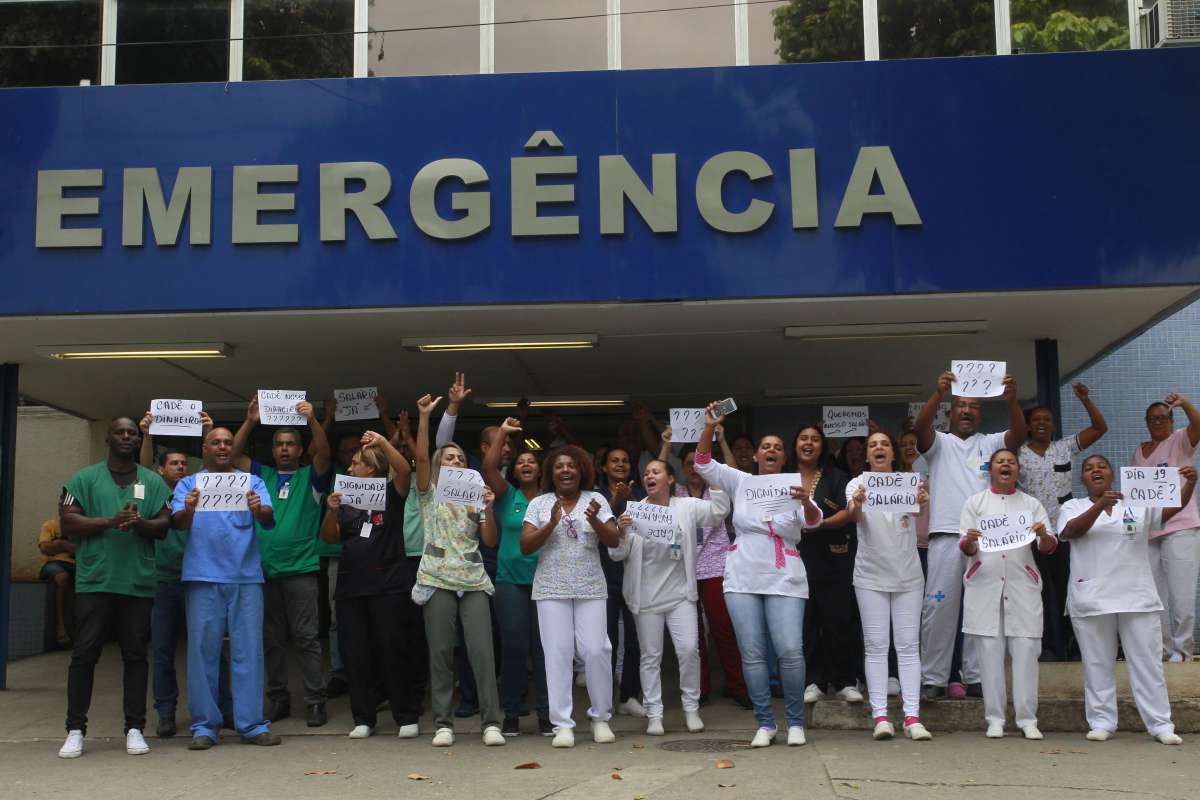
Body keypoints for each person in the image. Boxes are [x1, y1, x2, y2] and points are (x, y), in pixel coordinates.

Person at [694, 403, 823, 748]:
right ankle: (765, 723)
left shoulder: (796, 486)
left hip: (785, 573)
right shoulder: (741, 481)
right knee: (751, 653)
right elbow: (702, 463)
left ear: (784, 458)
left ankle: (795, 722)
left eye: (777, 448)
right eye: (765, 446)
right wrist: (709, 427)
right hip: (743, 574)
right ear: (756, 456)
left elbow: (813, 523)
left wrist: (806, 501)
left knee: (790, 650)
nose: (770, 451)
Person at [56, 418, 172, 759]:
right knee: (84, 654)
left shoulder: (152, 481)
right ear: (108, 437)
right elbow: (68, 520)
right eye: (120, 432)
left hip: (137, 582)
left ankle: (134, 728)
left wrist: (140, 523)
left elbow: (164, 526)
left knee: (135, 655)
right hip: (96, 580)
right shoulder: (84, 479)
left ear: (139, 441)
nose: (126, 437)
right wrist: (110, 520)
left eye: (132, 434)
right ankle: (75, 729)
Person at [1059, 456, 1195, 745]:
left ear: (1112, 475)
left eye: (1102, 466)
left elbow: (1170, 511)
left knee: (1147, 663)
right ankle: (1102, 722)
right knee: (1097, 663)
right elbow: (1071, 531)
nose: (1096, 470)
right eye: (1088, 468)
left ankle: (1160, 724)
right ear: (1082, 479)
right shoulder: (1073, 507)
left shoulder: (1136, 504)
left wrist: (1190, 484)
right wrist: (1099, 506)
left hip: (1137, 596)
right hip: (1092, 598)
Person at [914, 369, 1026, 700]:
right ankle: (933, 678)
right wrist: (937, 394)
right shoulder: (939, 444)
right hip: (945, 537)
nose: (966, 411)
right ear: (951, 410)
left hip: (986, 538)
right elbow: (919, 429)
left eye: (973, 406)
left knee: (983, 608)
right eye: (960, 405)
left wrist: (1012, 401)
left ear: (980, 413)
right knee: (938, 609)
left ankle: (976, 677)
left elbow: (1018, 435)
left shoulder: (990, 443)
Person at [170, 426, 279, 750]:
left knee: (249, 650)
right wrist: (188, 509)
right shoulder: (189, 484)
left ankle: (251, 724)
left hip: (245, 576)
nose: (222, 446)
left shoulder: (252, 482)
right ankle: (205, 726)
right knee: (203, 652)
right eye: (215, 442)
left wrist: (259, 508)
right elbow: (177, 522)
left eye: (228, 443)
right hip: (203, 577)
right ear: (204, 448)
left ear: (234, 449)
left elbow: (268, 518)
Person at [231, 396, 332, 727]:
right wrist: (249, 422)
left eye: (291, 444)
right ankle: (278, 700)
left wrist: (314, 421)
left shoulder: (311, 478)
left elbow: (325, 453)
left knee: (306, 638)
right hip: (264, 571)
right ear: (272, 450)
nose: (285, 449)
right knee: (271, 640)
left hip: (301, 571)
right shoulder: (262, 476)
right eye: (279, 444)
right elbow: (231, 456)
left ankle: (315, 700)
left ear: (300, 450)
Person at [412, 393, 505, 748]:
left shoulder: (475, 493)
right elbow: (420, 456)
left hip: (474, 580)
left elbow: (490, 541)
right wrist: (424, 418)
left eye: (461, 458)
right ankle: (443, 723)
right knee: (440, 653)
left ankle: (491, 723)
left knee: (482, 652)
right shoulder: (429, 491)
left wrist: (489, 509)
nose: (455, 460)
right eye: (448, 457)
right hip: (436, 579)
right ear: (439, 464)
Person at [611, 457, 729, 735]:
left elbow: (719, 511)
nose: (649, 476)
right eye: (647, 472)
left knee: (689, 650)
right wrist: (622, 531)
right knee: (650, 656)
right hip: (646, 598)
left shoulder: (686, 507)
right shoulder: (635, 511)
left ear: (670, 479)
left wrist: (712, 476)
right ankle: (655, 715)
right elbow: (617, 554)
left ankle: (691, 708)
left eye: (656, 471)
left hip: (680, 596)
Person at [319, 430, 425, 739]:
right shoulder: (345, 500)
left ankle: (405, 715)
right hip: (352, 588)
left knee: (393, 650)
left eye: (355, 464)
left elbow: (405, 469)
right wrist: (332, 512)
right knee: (356, 654)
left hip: (389, 586)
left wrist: (381, 442)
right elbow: (330, 537)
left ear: (372, 469)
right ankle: (363, 718)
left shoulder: (391, 494)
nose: (350, 469)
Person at [137, 408, 232, 739]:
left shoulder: (199, 486)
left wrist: (208, 430)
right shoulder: (155, 490)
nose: (179, 467)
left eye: (182, 463)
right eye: (173, 464)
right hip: (164, 582)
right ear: (161, 470)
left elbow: (214, 463)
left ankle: (224, 708)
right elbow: (142, 466)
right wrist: (147, 433)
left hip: (199, 580)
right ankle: (165, 712)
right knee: (162, 650)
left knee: (210, 647)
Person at [521, 445, 620, 748]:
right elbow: (525, 546)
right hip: (551, 588)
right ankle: (562, 724)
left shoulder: (597, 500)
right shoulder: (539, 503)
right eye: (559, 466)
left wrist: (595, 521)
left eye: (572, 466)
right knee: (558, 653)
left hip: (590, 586)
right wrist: (550, 523)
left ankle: (601, 717)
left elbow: (615, 540)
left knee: (596, 650)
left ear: (581, 471)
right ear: (551, 473)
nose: (566, 470)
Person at [958, 449, 1055, 740]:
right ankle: (995, 718)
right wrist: (970, 541)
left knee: (1026, 651)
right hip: (985, 584)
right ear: (991, 469)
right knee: (989, 652)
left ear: (1017, 470)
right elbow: (964, 546)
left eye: (1011, 462)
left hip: (1021, 584)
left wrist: (1042, 534)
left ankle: (1027, 718)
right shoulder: (975, 503)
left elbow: (1049, 547)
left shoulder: (1031, 504)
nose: (1005, 465)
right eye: (1000, 461)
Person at [845, 431, 931, 741]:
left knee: (908, 647)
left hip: (908, 576)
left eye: (884, 443)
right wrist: (857, 502)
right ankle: (880, 716)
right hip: (870, 577)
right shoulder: (856, 485)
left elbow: (919, 514)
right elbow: (854, 518)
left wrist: (922, 501)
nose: (879, 448)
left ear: (892, 454)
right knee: (876, 646)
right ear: (867, 456)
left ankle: (912, 717)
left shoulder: (910, 482)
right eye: (873, 445)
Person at [1018, 382, 1108, 661]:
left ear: (1054, 425)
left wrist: (1085, 399)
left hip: (1066, 532)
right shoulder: (1019, 453)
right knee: (1040, 594)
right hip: (1032, 535)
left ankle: (1073, 647)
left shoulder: (1065, 448)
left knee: (1070, 590)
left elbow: (1099, 427)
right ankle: (1049, 648)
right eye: (1036, 420)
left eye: (1047, 419)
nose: (1042, 423)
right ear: (1029, 426)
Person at [483, 417, 552, 737]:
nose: (526, 464)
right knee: (513, 645)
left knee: (544, 648)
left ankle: (546, 713)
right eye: (521, 461)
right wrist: (505, 433)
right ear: (515, 470)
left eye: (531, 461)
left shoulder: (551, 498)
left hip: (547, 580)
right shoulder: (507, 494)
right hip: (510, 580)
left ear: (540, 470)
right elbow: (488, 466)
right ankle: (510, 712)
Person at [793, 425, 862, 705]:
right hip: (796, 556)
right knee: (807, 620)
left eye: (814, 440)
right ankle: (814, 680)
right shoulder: (783, 477)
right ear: (795, 444)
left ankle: (845, 680)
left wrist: (819, 524)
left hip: (834, 555)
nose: (808, 443)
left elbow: (849, 512)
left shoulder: (837, 477)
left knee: (838, 618)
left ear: (823, 446)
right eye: (803, 438)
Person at [681, 444, 750, 710]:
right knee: (694, 633)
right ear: (683, 470)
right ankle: (701, 689)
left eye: (697, 464)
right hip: (685, 568)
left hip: (715, 566)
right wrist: (664, 445)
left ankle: (737, 686)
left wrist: (721, 440)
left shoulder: (718, 490)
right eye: (688, 464)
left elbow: (730, 472)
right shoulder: (675, 494)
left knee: (723, 627)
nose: (694, 469)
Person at [1133, 392, 1200, 662]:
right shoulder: (1139, 450)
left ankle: (1182, 651)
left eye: (1163, 418)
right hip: (1148, 531)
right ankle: (1160, 648)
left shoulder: (1181, 440)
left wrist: (1184, 404)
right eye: (1153, 419)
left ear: (1172, 421)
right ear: (1147, 423)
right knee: (1153, 595)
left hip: (1181, 527)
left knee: (1181, 594)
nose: (1158, 422)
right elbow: (1136, 491)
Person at [596, 446, 647, 717]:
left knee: (635, 640)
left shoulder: (639, 497)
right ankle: (605, 700)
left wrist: (630, 499)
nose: (620, 464)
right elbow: (596, 529)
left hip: (635, 576)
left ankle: (629, 695)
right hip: (603, 577)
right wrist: (616, 500)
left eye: (625, 460)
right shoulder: (596, 496)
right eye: (614, 460)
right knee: (606, 641)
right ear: (603, 467)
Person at [37, 517, 75, 647]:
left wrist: (60, 544)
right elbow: (45, 548)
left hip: (78, 566)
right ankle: (61, 628)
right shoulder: (50, 525)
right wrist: (67, 547)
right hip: (52, 565)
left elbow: (82, 551)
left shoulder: (80, 527)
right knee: (61, 576)